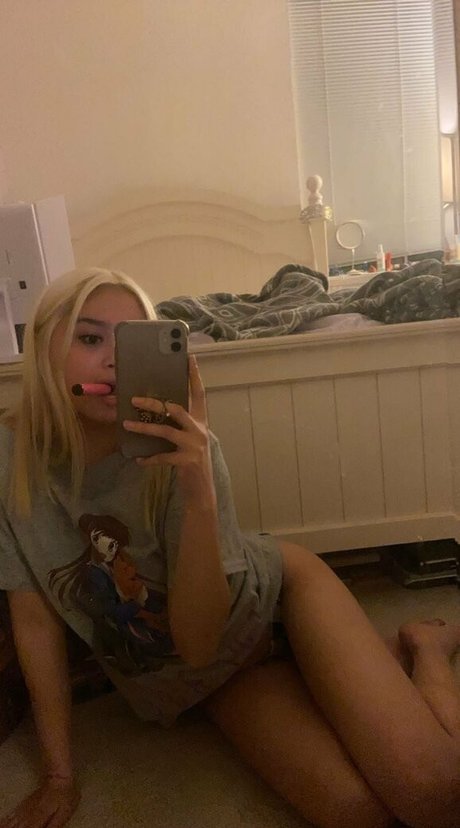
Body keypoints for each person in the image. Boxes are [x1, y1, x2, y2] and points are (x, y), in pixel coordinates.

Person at [0, 266, 459, 828]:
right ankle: (356, 668)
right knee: (357, 812)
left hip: (281, 593)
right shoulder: (10, 461)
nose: (115, 361)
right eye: (90, 338)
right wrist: (58, 776)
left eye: (132, 342)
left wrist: (199, 491)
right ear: (41, 346)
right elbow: (38, 620)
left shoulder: (186, 449)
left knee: (435, 792)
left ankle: (426, 649)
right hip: (214, 662)